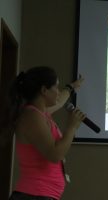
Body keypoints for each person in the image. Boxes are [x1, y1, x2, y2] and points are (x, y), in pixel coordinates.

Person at [0, 66, 85, 200]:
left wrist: (71, 87)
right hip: (34, 195)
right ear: (44, 90)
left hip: (40, 195)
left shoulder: (41, 113)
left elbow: (60, 100)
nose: (58, 92)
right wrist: (72, 127)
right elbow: (55, 154)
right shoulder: (32, 116)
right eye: (56, 87)